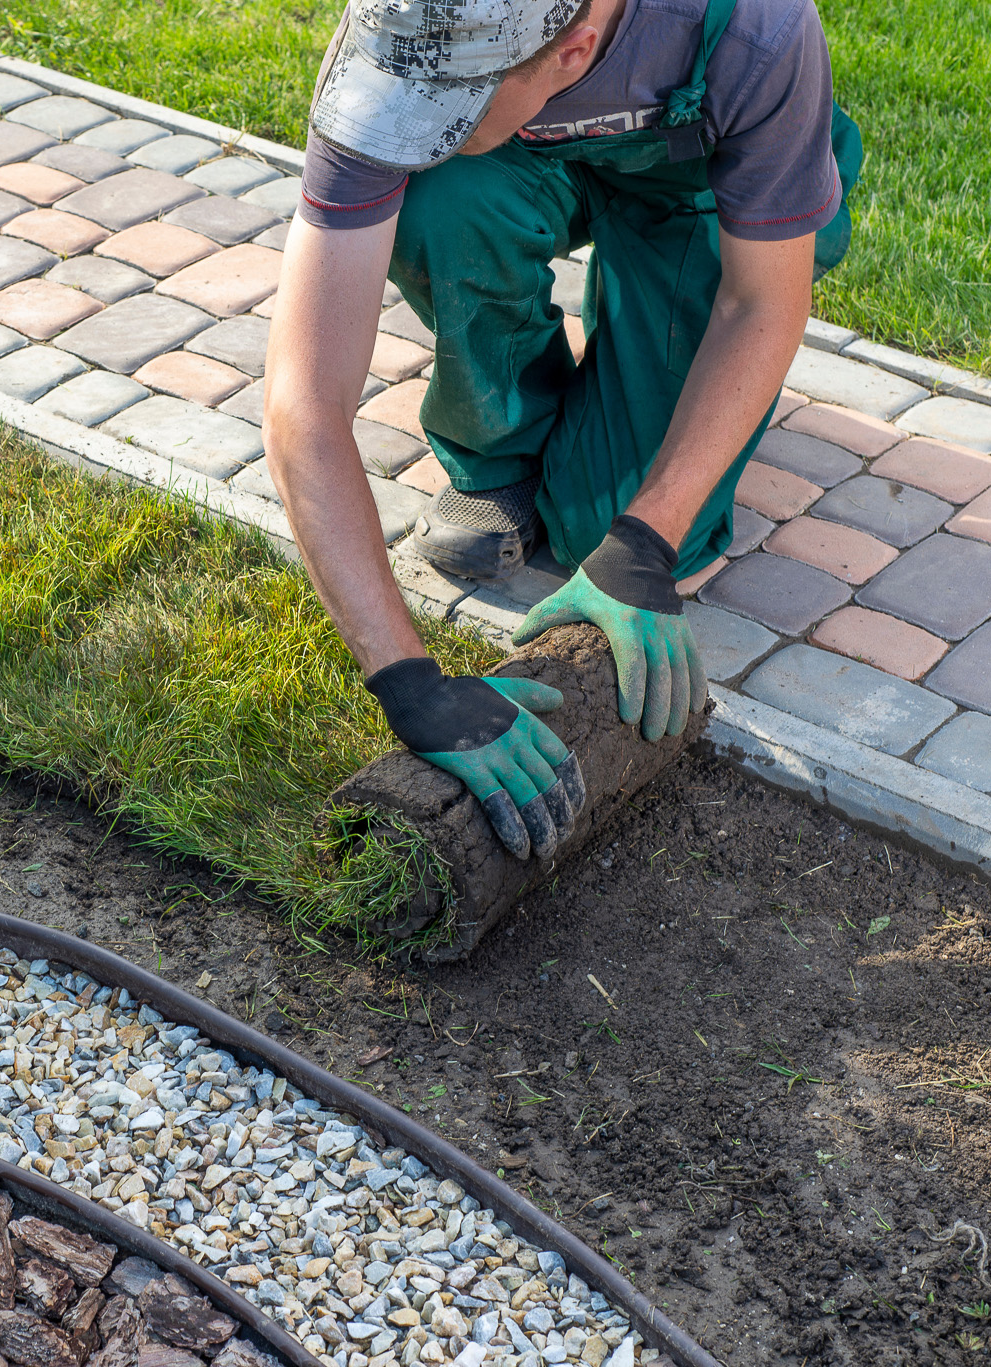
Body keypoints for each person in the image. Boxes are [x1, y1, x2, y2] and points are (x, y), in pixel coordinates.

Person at [265, 0, 860, 860]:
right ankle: (498, 452)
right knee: (439, 193)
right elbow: (303, 405)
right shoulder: (405, 39)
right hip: (519, 161)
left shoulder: (757, 27)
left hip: (692, 185)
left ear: (575, 50)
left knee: (608, 532)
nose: (412, 121)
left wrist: (645, 543)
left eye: (447, 105)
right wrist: (407, 682)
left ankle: (633, 360)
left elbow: (764, 301)